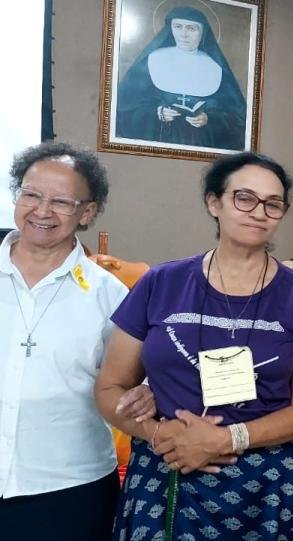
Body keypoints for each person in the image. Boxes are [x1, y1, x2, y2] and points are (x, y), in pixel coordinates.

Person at [96, 152, 293, 540]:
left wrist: (228, 438)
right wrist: (160, 434)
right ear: (214, 202)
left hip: (273, 482)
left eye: (273, 204)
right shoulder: (161, 283)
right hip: (170, 466)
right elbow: (109, 388)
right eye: (244, 198)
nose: (259, 211)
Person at [0, 142, 152, 539]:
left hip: (70, 488)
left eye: (62, 201)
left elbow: (134, 384)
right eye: (31, 194)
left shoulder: (111, 295)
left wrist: (149, 394)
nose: (42, 210)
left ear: (88, 212)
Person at [115, 6, 247, 151]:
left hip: (202, 145)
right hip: (158, 140)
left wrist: (209, 119)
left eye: (191, 29)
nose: (183, 34)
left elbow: (237, 117)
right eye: (178, 26)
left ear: (203, 32)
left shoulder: (215, 66)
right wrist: (157, 112)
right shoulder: (153, 60)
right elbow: (124, 106)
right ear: (170, 28)